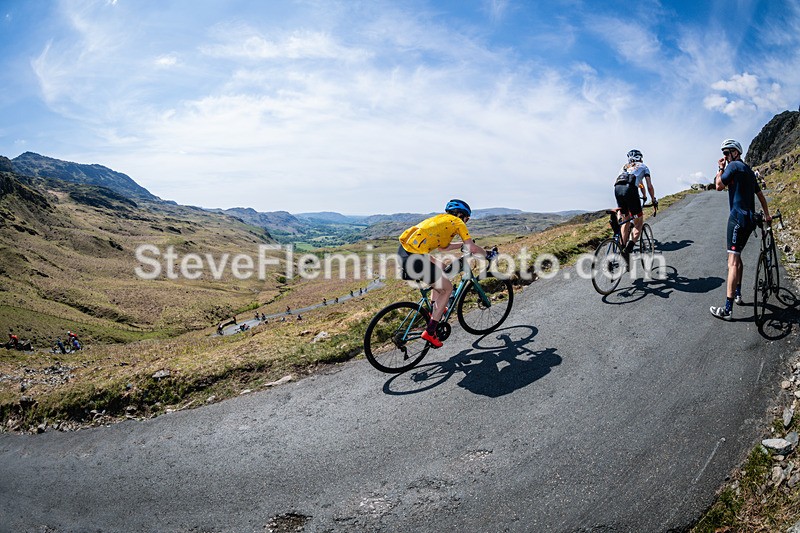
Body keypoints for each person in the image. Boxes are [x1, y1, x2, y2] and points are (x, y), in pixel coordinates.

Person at [397, 199, 496, 348]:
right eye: (467, 218)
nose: (466, 222)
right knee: (447, 289)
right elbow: (472, 249)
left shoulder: (441, 220)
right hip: (416, 258)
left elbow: (443, 248)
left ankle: (434, 311)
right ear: (461, 215)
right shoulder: (457, 222)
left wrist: (462, 245)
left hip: (404, 253)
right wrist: (488, 254)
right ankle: (430, 332)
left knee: (440, 272)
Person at [710, 139, 771, 319]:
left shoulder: (733, 166)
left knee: (732, 262)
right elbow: (760, 195)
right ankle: (737, 294)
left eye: (727, 153)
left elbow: (718, 186)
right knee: (738, 257)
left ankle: (727, 310)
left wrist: (720, 168)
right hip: (750, 220)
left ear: (736, 152)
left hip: (737, 218)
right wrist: (767, 215)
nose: (725, 156)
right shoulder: (749, 171)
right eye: (724, 154)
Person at [614, 149, 658, 255]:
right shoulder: (644, 167)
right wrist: (653, 199)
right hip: (630, 190)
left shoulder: (625, 167)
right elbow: (649, 186)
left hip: (617, 189)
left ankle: (621, 248)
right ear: (640, 158)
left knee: (626, 220)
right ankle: (628, 249)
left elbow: (640, 184)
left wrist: (643, 195)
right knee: (638, 223)